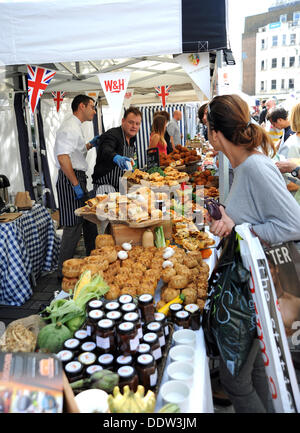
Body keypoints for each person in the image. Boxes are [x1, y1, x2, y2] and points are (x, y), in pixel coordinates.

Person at [206, 94, 300, 413]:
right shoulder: (242, 166)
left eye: (208, 127)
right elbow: (250, 215)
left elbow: (294, 225)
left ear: (216, 133)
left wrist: (240, 228)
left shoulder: (253, 167)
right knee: (259, 369)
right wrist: (225, 216)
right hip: (254, 290)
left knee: (236, 382)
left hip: (259, 288)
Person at [54, 94, 100, 280]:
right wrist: (75, 185)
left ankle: (91, 265)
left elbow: (75, 154)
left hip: (77, 177)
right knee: (72, 227)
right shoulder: (69, 127)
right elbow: (63, 157)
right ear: (81, 106)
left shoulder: (76, 126)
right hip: (70, 179)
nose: (94, 111)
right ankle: (62, 274)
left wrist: (90, 145)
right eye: (92, 107)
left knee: (89, 222)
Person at [92, 107, 142, 194]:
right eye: (131, 122)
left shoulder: (132, 139)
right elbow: (106, 149)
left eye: (137, 124)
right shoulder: (112, 134)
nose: (134, 126)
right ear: (123, 121)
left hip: (121, 187)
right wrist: (115, 157)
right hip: (105, 186)